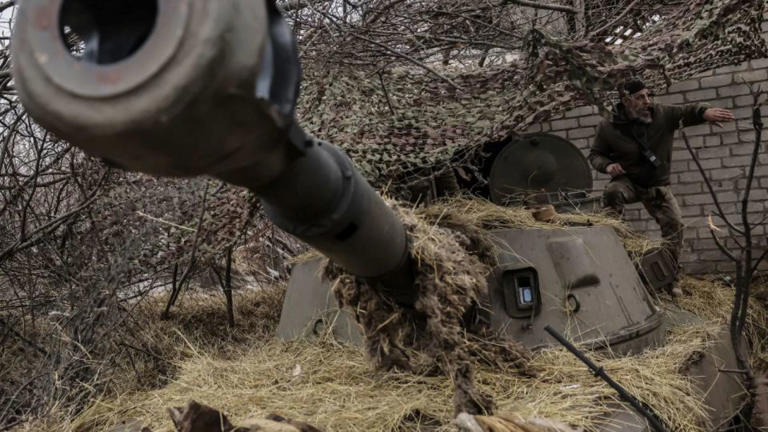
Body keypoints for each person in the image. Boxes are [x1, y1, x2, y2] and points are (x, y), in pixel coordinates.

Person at [588, 78, 734, 295]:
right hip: (629, 182)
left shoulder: (662, 114)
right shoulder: (608, 126)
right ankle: (617, 242)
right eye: (640, 97)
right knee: (612, 192)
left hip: (657, 185)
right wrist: (607, 166)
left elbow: (688, 111)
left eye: (648, 95)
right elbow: (595, 155)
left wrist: (705, 113)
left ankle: (670, 277)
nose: (647, 101)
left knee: (675, 226)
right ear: (626, 101)